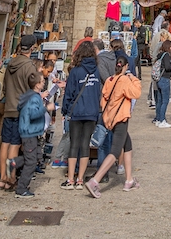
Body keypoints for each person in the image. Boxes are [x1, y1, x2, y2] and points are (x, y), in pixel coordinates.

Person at [85, 53, 142, 197]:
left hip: (110, 118)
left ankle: (129, 180)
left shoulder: (110, 79)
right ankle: (95, 180)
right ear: (126, 66)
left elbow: (104, 98)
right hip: (121, 118)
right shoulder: (125, 80)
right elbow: (136, 93)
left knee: (127, 146)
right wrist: (134, 79)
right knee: (115, 151)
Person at [60, 40, 102, 189]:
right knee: (85, 145)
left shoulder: (76, 71)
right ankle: (80, 179)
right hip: (91, 111)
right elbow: (98, 93)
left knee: (74, 144)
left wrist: (65, 110)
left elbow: (69, 93)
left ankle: (70, 179)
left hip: (77, 111)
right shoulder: (96, 71)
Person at [0, 34, 38, 190]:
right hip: (21, 110)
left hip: (9, 107)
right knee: (15, 145)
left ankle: (2, 178)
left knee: (5, 143)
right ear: (33, 47)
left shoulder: (11, 63)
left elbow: (6, 86)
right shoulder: (29, 66)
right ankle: (10, 177)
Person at [13, 71, 47, 198]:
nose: (44, 83)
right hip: (30, 132)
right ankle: (21, 189)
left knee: (36, 155)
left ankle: (13, 162)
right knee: (31, 161)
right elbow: (33, 114)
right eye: (42, 81)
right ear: (37, 85)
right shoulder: (34, 97)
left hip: (30, 131)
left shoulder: (29, 95)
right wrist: (45, 108)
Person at [151, 39, 171, 128]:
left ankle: (158, 118)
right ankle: (162, 120)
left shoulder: (159, 55)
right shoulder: (166, 55)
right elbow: (167, 67)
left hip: (158, 79)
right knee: (165, 101)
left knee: (159, 100)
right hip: (165, 79)